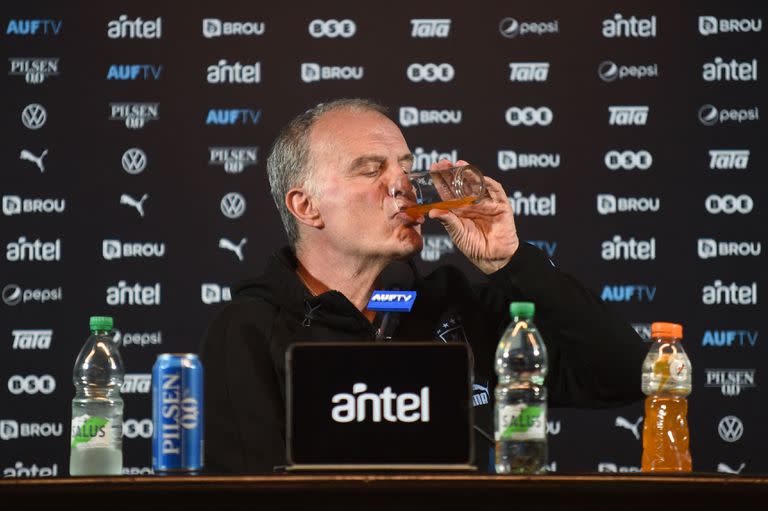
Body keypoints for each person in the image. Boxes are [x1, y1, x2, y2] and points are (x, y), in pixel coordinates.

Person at [200, 98, 647, 474]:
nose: (403, 187)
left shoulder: (455, 306)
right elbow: (252, 490)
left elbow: (626, 374)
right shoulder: (249, 330)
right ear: (306, 206)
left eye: (405, 167)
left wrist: (510, 261)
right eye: (370, 169)